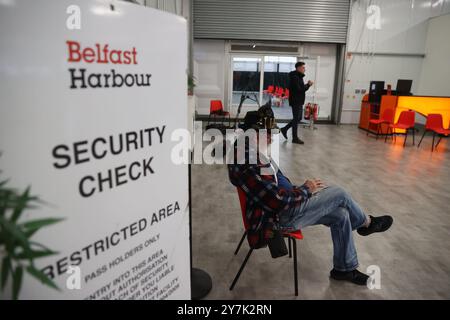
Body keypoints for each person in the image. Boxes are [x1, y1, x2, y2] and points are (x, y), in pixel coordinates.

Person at [228, 106, 393, 286]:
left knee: (341, 215)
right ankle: (366, 223)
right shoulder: (247, 161)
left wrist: (298, 190)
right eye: (267, 133)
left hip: (287, 203)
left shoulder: (250, 150)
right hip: (280, 216)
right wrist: (306, 190)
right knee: (339, 193)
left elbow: (274, 188)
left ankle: (343, 269)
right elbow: (277, 202)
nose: (271, 137)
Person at [280, 62, 313, 144]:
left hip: (298, 101)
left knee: (298, 118)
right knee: (296, 118)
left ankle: (285, 129)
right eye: (303, 68)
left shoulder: (298, 76)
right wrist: (308, 85)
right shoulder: (295, 77)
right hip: (296, 101)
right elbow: (299, 89)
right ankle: (294, 138)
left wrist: (306, 85)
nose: (304, 69)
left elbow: (300, 88)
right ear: (298, 68)